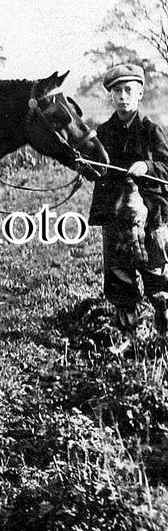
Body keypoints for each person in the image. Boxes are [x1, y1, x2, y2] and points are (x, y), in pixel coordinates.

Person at [87, 63, 168, 332]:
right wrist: (87, 168)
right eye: (117, 91)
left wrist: (148, 166)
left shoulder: (151, 131)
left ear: (140, 94)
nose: (122, 96)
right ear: (110, 96)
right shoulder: (103, 133)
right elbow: (97, 170)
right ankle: (127, 329)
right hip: (115, 213)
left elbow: (166, 168)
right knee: (118, 271)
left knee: (156, 266)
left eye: (128, 90)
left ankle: (163, 325)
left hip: (151, 213)